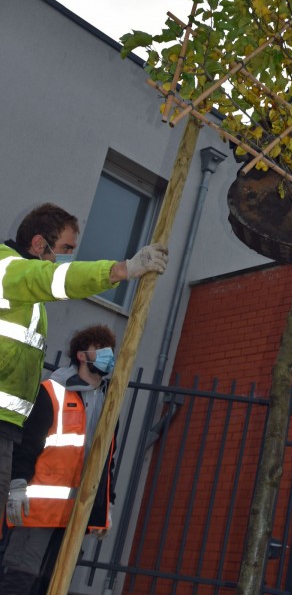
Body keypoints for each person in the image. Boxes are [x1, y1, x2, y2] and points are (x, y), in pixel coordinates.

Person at [0, 202, 168, 522]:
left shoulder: (23, 294)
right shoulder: (7, 269)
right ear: (38, 245)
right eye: (64, 249)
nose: (67, 258)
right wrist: (120, 270)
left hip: (8, 424)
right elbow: (57, 279)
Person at [0, 323, 118, 595]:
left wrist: (103, 510)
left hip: (71, 524)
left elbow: (106, 463)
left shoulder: (108, 402)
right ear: (82, 354)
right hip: (35, 519)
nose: (109, 356)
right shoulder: (52, 391)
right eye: (102, 348)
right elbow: (26, 441)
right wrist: (16, 485)